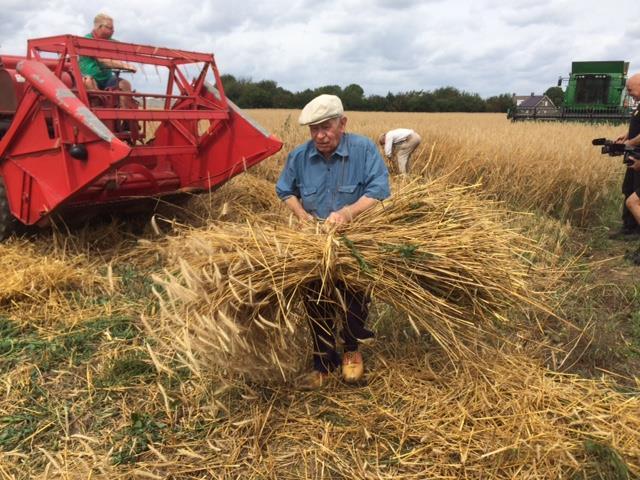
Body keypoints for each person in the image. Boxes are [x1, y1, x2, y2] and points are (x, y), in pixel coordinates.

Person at [276, 94, 390, 390]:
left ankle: (352, 352)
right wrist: (300, 214)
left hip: (355, 241)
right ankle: (323, 363)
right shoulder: (300, 157)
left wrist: (347, 213)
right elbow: (285, 190)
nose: (319, 136)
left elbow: (379, 190)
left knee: (355, 300)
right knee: (316, 299)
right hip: (313, 243)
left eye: (325, 127)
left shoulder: (364, 150)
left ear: (343, 123)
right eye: (313, 129)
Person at [79, 13, 137, 107]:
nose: (113, 31)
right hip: (89, 78)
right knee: (89, 82)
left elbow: (124, 50)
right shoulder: (87, 40)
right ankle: (97, 111)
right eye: (109, 28)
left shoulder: (111, 42)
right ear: (99, 27)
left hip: (107, 79)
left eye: (113, 28)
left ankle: (126, 117)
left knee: (125, 84)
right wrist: (124, 65)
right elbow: (102, 60)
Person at [611, 74, 640, 239]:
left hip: (637, 153)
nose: (629, 93)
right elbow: (637, 126)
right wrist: (626, 135)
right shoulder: (638, 106)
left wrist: (630, 143)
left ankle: (636, 230)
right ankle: (628, 226)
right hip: (634, 153)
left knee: (636, 194)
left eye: (630, 89)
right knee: (628, 188)